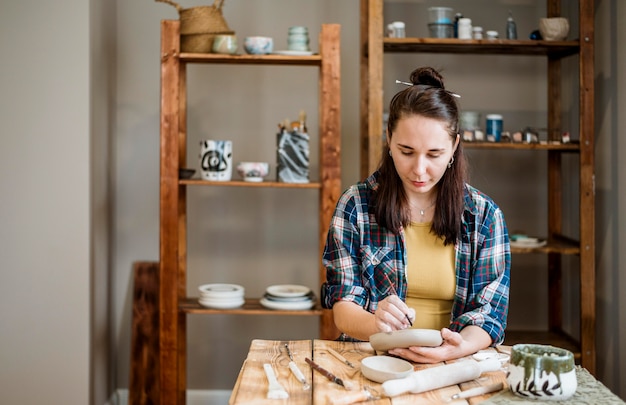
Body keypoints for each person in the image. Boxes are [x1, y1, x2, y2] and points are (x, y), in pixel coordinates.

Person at [321, 66, 510, 364]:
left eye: (434, 154)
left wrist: (455, 349)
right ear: (388, 139)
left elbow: (490, 314)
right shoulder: (355, 205)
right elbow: (343, 306)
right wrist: (376, 324)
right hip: (372, 358)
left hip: (453, 364)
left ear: (454, 147)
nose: (419, 170)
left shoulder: (484, 215)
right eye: (406, 152)